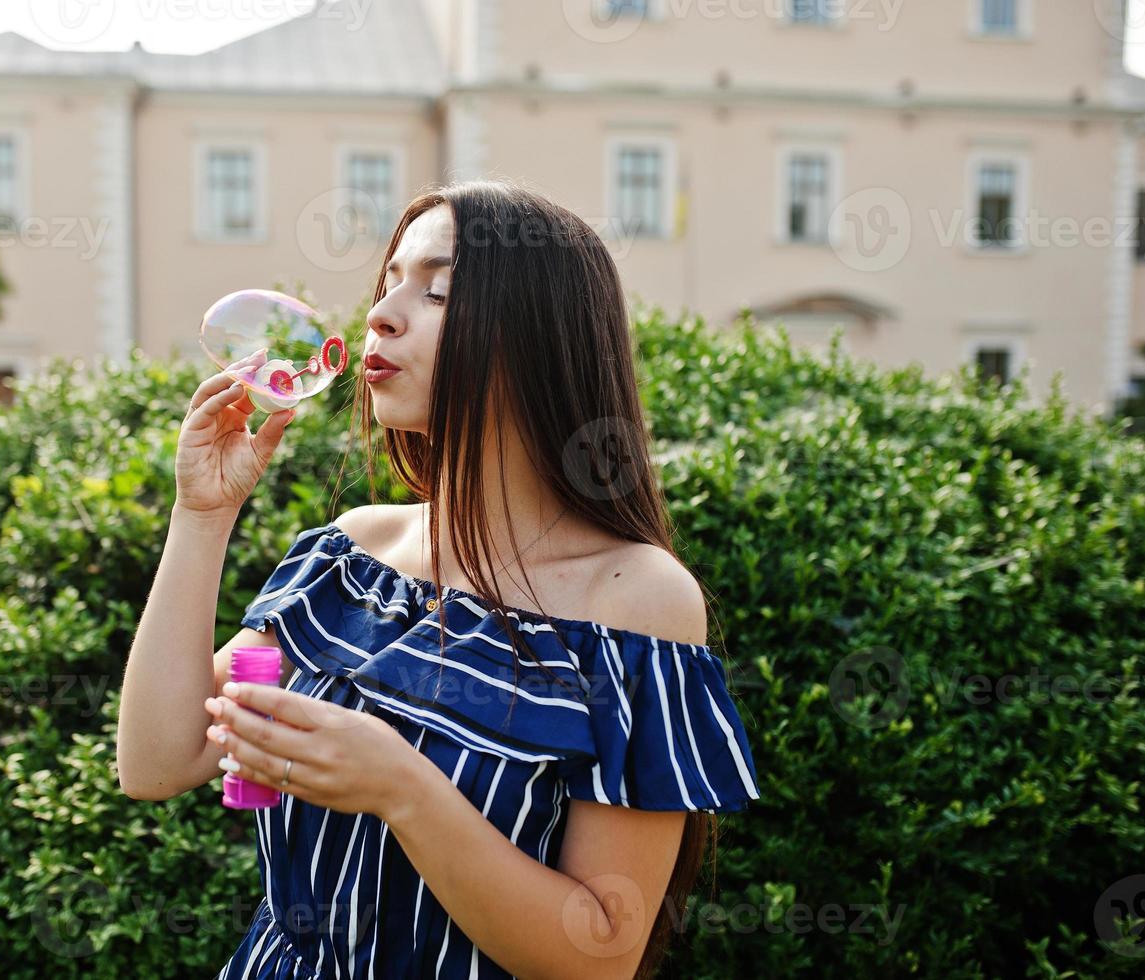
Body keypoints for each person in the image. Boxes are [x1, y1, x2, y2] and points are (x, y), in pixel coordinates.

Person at [117, 179, 761, 979]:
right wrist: (202, 516)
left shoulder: (635, 600)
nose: (381, 314)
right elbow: (157, 762)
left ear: (538, 336)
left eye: (437, 291)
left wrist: (401, 787)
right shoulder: (353, 556)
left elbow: (602, 953)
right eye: (388, 283)